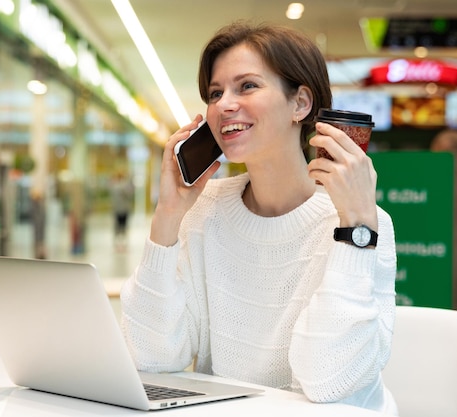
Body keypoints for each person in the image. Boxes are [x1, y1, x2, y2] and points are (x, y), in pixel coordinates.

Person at [120, 22, 398, 414]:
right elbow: (152, 357)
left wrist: (355, 230)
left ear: (300, 104)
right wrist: (167, 216)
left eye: (246, 86)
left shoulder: (364, 223)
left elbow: (328, 381)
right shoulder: (204, 210)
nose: (224, 105)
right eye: (216, 93)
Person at [109, 171, 135, 248]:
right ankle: (119, 242)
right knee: (119, 226)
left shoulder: (120, 186)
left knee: (122, 226)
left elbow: (130, 192)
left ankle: (122, 242)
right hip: (119, 209)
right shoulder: (117, 186)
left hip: (123, 209)